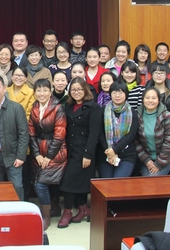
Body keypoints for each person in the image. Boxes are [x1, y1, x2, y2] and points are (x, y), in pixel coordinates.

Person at [58, 77, 102, 228]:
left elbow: (94, 133)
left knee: (68, 182)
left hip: (84, 151)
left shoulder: (93, 107)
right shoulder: (68, 106)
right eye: (73, 90)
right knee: (75, 182)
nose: (76, 92)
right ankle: (84, 209)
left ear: (85, 90)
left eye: (79, 89)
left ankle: (67, 212)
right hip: (70, 150)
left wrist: (88, 154)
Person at [27, 78, 67, 230]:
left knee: (40, 184)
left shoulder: (58, 108)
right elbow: (31, 134)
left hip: (56, 152)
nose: (42, 93)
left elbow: (59, 135)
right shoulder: (35, 107)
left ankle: (46, 217)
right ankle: (52, 208)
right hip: (39, 150)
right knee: (41, 182)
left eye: (45, 90)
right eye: (39, 90)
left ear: (50, 92)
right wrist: (37, 155)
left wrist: (48, 157)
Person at [98, 81, 139, 178]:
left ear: (126, 94)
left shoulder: (132, 112)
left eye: (120, 92)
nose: (117, 95)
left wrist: (115, 150)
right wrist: (110, 152)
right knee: (106, 183)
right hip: (106, 153)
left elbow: (131, 135)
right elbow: (100, 133)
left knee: (118, 182)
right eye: (114, 92)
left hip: (126, 154)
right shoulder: (103, 110)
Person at [135, 88, 170, 176]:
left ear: (159, 100)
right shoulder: (137, 115)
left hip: (165, 158)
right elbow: (136, 141)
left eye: (154, 98)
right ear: (143, 99)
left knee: (151, 180)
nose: (150, 100)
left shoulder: (166, 116)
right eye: (147, 98)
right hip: (147, 159)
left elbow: (169, 142)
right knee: (144, 181)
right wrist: (146, 160)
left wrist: (158, 163)